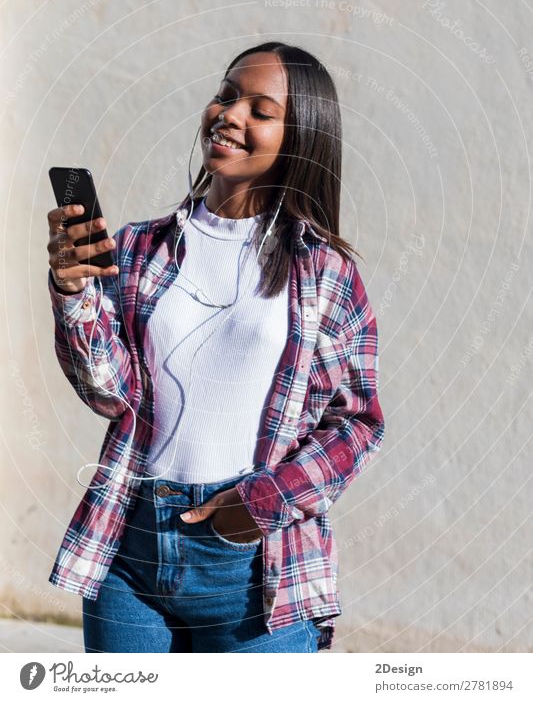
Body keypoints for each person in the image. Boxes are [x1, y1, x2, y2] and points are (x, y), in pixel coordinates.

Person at [46, 41, 385, 653]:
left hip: (256, 569)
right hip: (132, 544)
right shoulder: (139, 249)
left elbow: (357, 423)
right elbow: (108, 393)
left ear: (300, 135)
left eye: (260, 109)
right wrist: (73, 291)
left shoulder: (324, 271)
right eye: (227, 96)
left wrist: (261, 504)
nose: (230, 115)